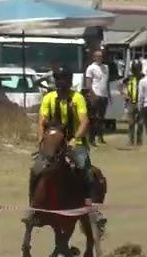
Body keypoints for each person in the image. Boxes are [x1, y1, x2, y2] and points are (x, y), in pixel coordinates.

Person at [32, 66, 101, 225]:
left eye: (64, 79)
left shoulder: (77, 98)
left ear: (70, 81)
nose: (61, 82)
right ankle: (34, 208)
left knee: (87, 172)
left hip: (74, 143)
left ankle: (92, 210)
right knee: (36, 170)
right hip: (52, 143)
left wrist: (75, 139)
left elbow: (84, 122)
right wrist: (42, 140)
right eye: (58, 79)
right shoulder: (49, 98)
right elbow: (41, 122)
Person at [83, 50, 110, 145]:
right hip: (96, 94)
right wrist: (92, 95)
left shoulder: (105, 67)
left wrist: (108, 95)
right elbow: (88, 83)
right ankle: (91, 139)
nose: (100, 58)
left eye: (101, 56)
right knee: (93, 118)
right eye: (98, 56)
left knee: (101, 118)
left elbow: (106, 82)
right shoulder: (91, 68)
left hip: (104, 95)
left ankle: (101, 137)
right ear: (94, 57)